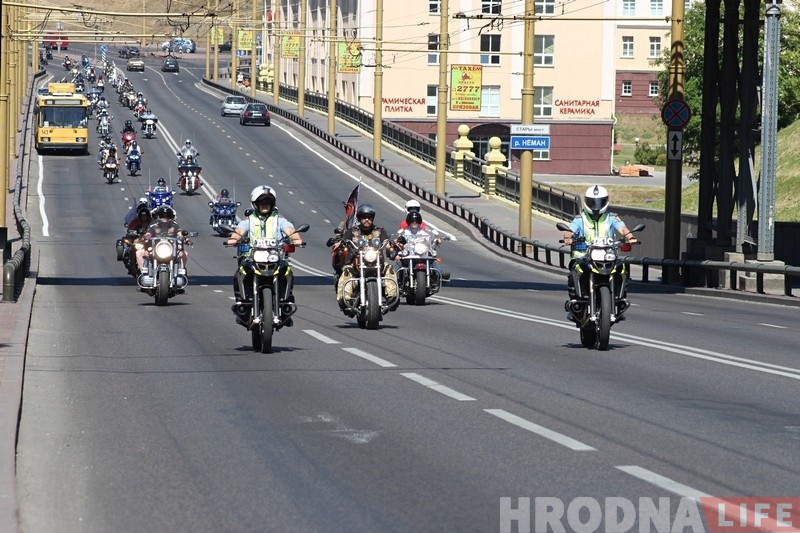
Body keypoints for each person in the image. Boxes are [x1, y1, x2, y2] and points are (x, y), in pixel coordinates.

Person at [225, 185, 304, 326]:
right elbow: (238, 231)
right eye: (261, 202)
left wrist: (296, 239)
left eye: (267, 202)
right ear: (255, 204)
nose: (264, 205)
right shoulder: (248, 221)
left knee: (288, 273)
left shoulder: (279, 220)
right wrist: (233, 240)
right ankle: (242, 305)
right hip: (252, 257)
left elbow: (290, 230)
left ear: (272, 204)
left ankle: (285, 304)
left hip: (275, 257)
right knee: (239, 274)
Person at [562, 185, 638, 318]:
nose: (596, 205)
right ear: (587, 201)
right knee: (575, 270)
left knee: (621, 269)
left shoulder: (612, 217)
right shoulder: (580, 219)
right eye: (592, 202)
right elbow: (569, 231)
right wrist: (568, 238)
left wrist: (630, 237)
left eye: (599, 202)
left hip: (607, 255)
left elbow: (623, 229)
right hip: (584, 255)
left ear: (605, 201)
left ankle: (619, 300)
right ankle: (576, 303)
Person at [334, 203, 400, 315]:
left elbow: (386, 242)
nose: (367, 220)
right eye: (364, 217)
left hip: (377, 262)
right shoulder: (353, 231)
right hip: (356, 262)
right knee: (345, 273)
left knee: (390, 269)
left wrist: (391, 248)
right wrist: (340, 243)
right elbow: (344, 240)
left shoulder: (379, 231)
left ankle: (392, 296)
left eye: (369, 217)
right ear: (359, 218)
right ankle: (344, 299)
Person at [135, 205, 189, 276]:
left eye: (167, 216)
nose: (164, 218)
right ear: (159, 216)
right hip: (155, 248)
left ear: (171, 217)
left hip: (171, 249)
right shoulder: (153, 225)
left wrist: (186, 238)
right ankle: (144, 273)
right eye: (162, 216)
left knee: (184, 254)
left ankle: (181, 272)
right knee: (139, 253)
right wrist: (144, 237)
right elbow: (148, 234)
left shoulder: (174, 225)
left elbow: (180, 234)